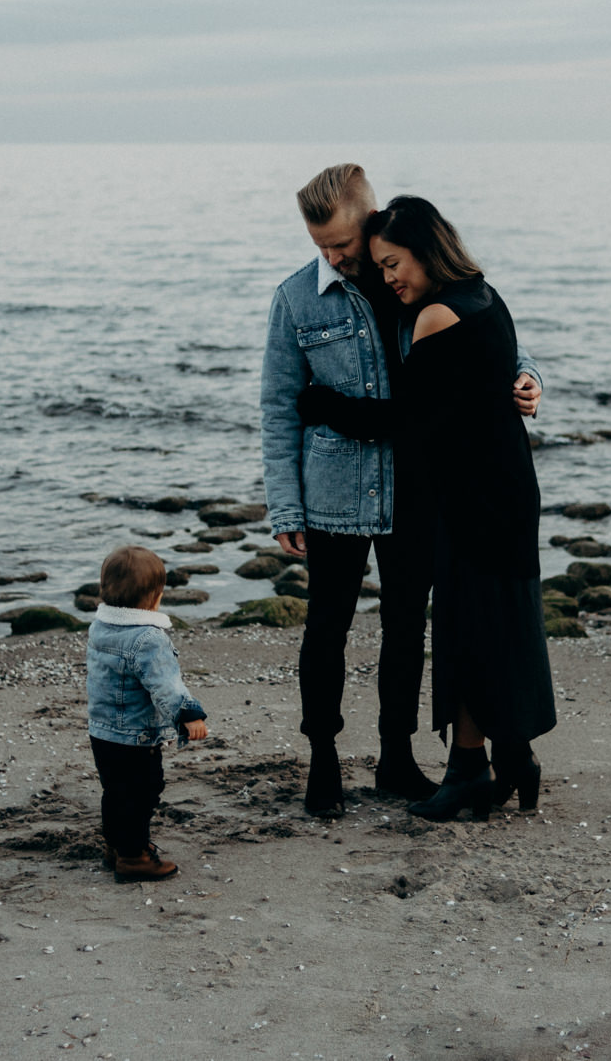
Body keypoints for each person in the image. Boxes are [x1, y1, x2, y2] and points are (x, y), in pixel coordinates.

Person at [260, 164, 543, 818]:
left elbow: (484, 343)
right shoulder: (296, 300)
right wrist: (285, 504)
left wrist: (526, 376)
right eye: (320, 246)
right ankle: (323, 761)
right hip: (332, 492)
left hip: (417, 489)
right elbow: (278, 408)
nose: (334, 257)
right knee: (326, 629)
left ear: (372, 222)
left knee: (406, 627)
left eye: (342, 244)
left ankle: (396, 758)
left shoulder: (407, 284)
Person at [86, 545, 209, 882]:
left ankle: (115, 846)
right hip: (135, 735)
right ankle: (133, 857)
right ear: (156, 597)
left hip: (101, 731)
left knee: (115, 791)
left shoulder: (100, 627)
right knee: (143, 792)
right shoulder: (149, 639)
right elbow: (166, 686)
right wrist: (189, 715)